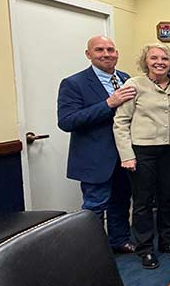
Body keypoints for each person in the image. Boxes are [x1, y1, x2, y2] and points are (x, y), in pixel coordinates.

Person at [57, 35, 136, 254]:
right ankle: (94, 252)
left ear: (117, 53)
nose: (106, 54)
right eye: (99, 50)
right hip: (95, 159)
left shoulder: (125, 78)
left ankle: (119, 240)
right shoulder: (74, 83)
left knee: (121, 202)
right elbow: (67, 121)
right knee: (94, 207)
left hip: (124, 156)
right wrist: (108, 104)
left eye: (111, 49)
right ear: (88, 54)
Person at [113, 44, 170, 269]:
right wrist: (127, 155)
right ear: (146, 62)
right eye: (154, 58)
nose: (159, 62)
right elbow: (121, 122)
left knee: (169, 197)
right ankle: (145, 248)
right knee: (143, 201)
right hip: (142, 151)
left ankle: (167, 240)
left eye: (164, 59)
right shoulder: (134, 85)